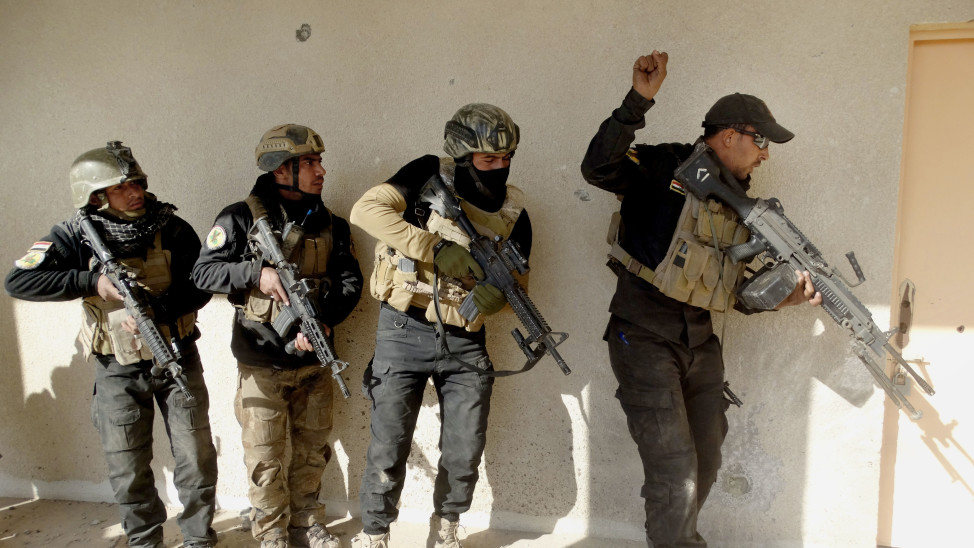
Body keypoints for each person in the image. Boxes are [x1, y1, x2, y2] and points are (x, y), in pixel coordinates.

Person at [580, 51, 822, 547]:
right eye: (761, 141)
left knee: (706, 459)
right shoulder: (667, 165)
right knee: (675, 468)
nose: (765, 154)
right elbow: (598, 168)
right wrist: (637, 101)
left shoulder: (744, 206)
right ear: (729, 134)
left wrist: (789, 297)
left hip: (700, 342)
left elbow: (733, 292)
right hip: (643, 334)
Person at [5, 141, 218, 548]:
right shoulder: (74, 236)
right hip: (116, 366)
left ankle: (198, 538)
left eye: (137, 182)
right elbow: (19, 281)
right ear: (95, 196)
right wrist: (92, 282)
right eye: (122, 187)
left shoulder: (171, 226)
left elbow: (202, 282)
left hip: (177, 354)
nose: (136, 191)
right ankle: (144, 540)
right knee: (127, 463)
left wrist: (161, 310)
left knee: (195, 453)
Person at [349, 103, 530, 548]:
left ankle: (448, 524)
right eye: (489, 160)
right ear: (463, 156)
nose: (499, 168)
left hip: (466, 339)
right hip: (402, 330)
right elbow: (365, 211)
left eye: (506, 159)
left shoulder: (513, 211)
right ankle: (375, 532)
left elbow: (520, 284)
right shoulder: (425, 173)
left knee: (465, 447)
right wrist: (433, 247)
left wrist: (498, 297)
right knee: (389, 445)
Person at [191, 124, 362, 548]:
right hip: (260, 363)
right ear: (281, 169)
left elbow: (350, 282)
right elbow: (203, 273)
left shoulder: (331, 223)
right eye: (309, 163)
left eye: (319, 161)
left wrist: (322, 320)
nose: (321, 170)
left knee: (311, 452)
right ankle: (270, 534)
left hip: (314, 363)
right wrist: (256, 273)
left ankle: (306, 522)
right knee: (264, 459)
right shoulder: (238, 217)